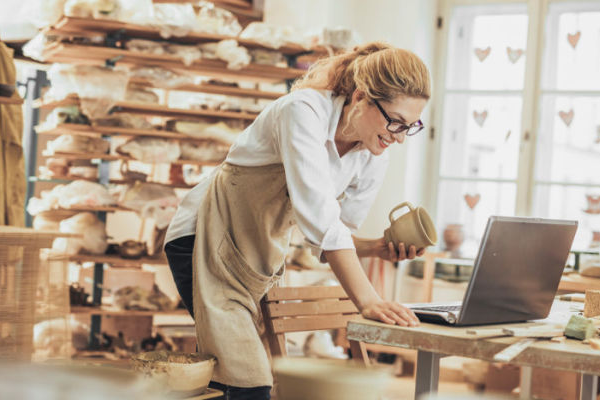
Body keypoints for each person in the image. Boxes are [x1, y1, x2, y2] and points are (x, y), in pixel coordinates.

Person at [164, 41, 430, 399]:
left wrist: (378, 248)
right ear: (363, 97)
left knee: (244, 377)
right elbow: (321, 222)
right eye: (395, 122)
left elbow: (336, 235)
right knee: (245, 378)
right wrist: (368, 300)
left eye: (409, 127)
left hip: (256, 259)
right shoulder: (303, 111)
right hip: (203, 240)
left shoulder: (373, 153)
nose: (398, 137)